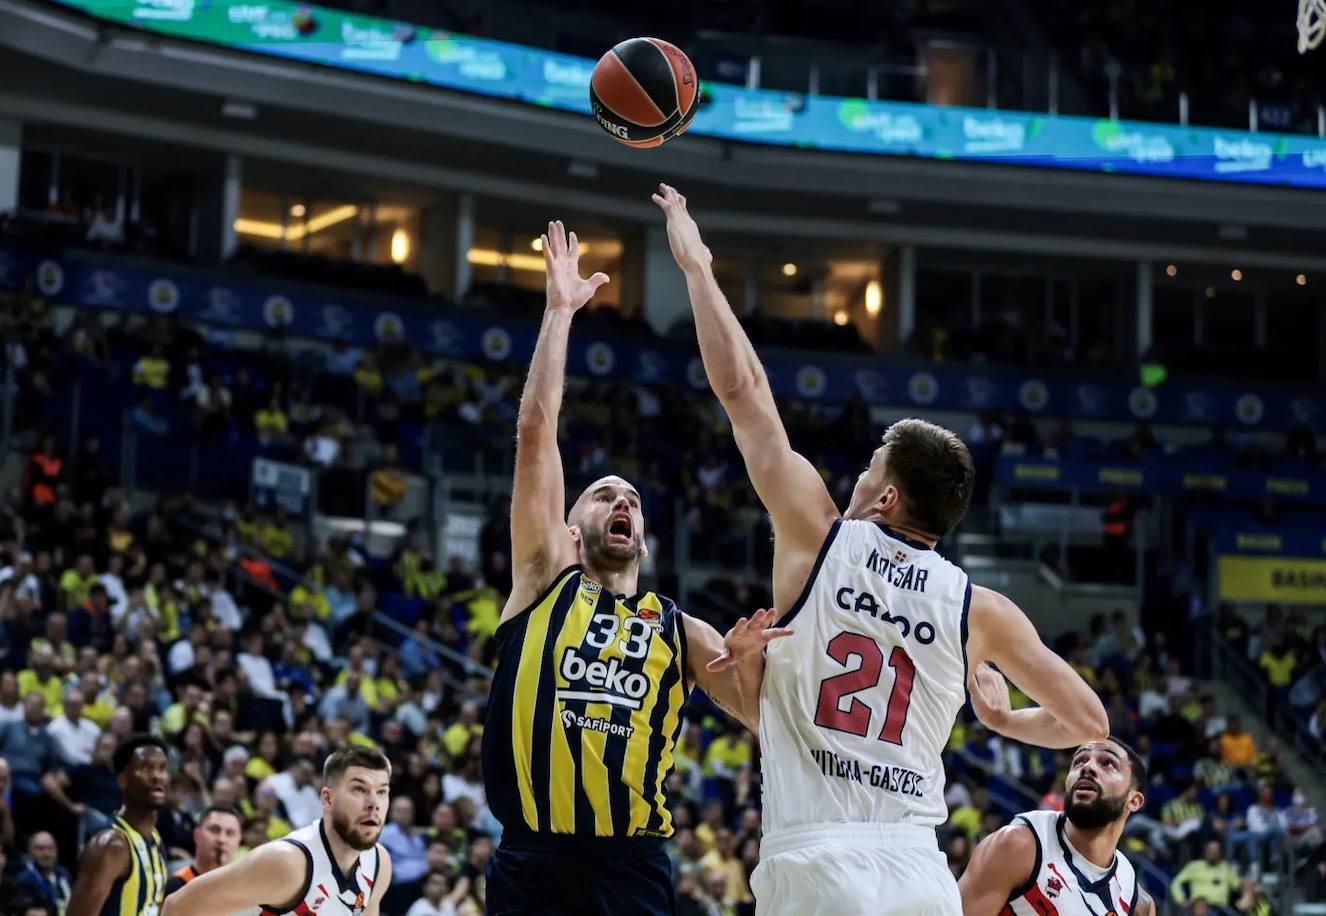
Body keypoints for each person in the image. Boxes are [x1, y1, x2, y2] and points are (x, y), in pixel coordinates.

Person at [651, 183, 1108, 916]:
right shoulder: (981, 610)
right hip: (920, 874)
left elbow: (743, 390)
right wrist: (1003, 721)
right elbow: (1089, 723)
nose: (858, 479)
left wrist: (698, 267)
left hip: (817, 863)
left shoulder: (818, 533)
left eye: (869, 469)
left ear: (888, 496)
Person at [479, 221, 780, 915]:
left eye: (633, 501)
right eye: (603, 495)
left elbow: (765, 721)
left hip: (632, 866)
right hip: (533, 861)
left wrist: (747, 669)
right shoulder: (543, 579)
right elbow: (535, 434)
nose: (622, 502)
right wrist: (559, 311)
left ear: (642, 541)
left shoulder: (681, 629)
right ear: (570, 531)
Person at [160, 747, 392, 915]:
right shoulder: (287, 862)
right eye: (359, 789)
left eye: (382, 792)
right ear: (327, 799)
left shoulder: (378, 863)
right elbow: (176, 908)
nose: (374, 803)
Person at [957, 738, 1157, 914]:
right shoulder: (1018, 845)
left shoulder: (1137, 904)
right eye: (1079, 761)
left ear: (1134, 801)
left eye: (1107, 763)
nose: (1087, 767)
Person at [66, 735, 171, 916]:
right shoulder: (111, 845)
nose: (157, 776)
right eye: (146, 768)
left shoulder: (155, 839)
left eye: (162, 768)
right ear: (122, 780)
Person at [163, 805, 242, 894]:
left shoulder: (244, 890)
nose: (221, 839)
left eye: (230, 833)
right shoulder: (174, 888)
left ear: (238, 842)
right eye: (214, 830)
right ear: (196, 835)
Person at [15, 832, 71, 916]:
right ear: (30, 851)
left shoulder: (65, 875)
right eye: (40, 849)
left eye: (50, 848)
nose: (46, 853)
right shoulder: (24, 880)